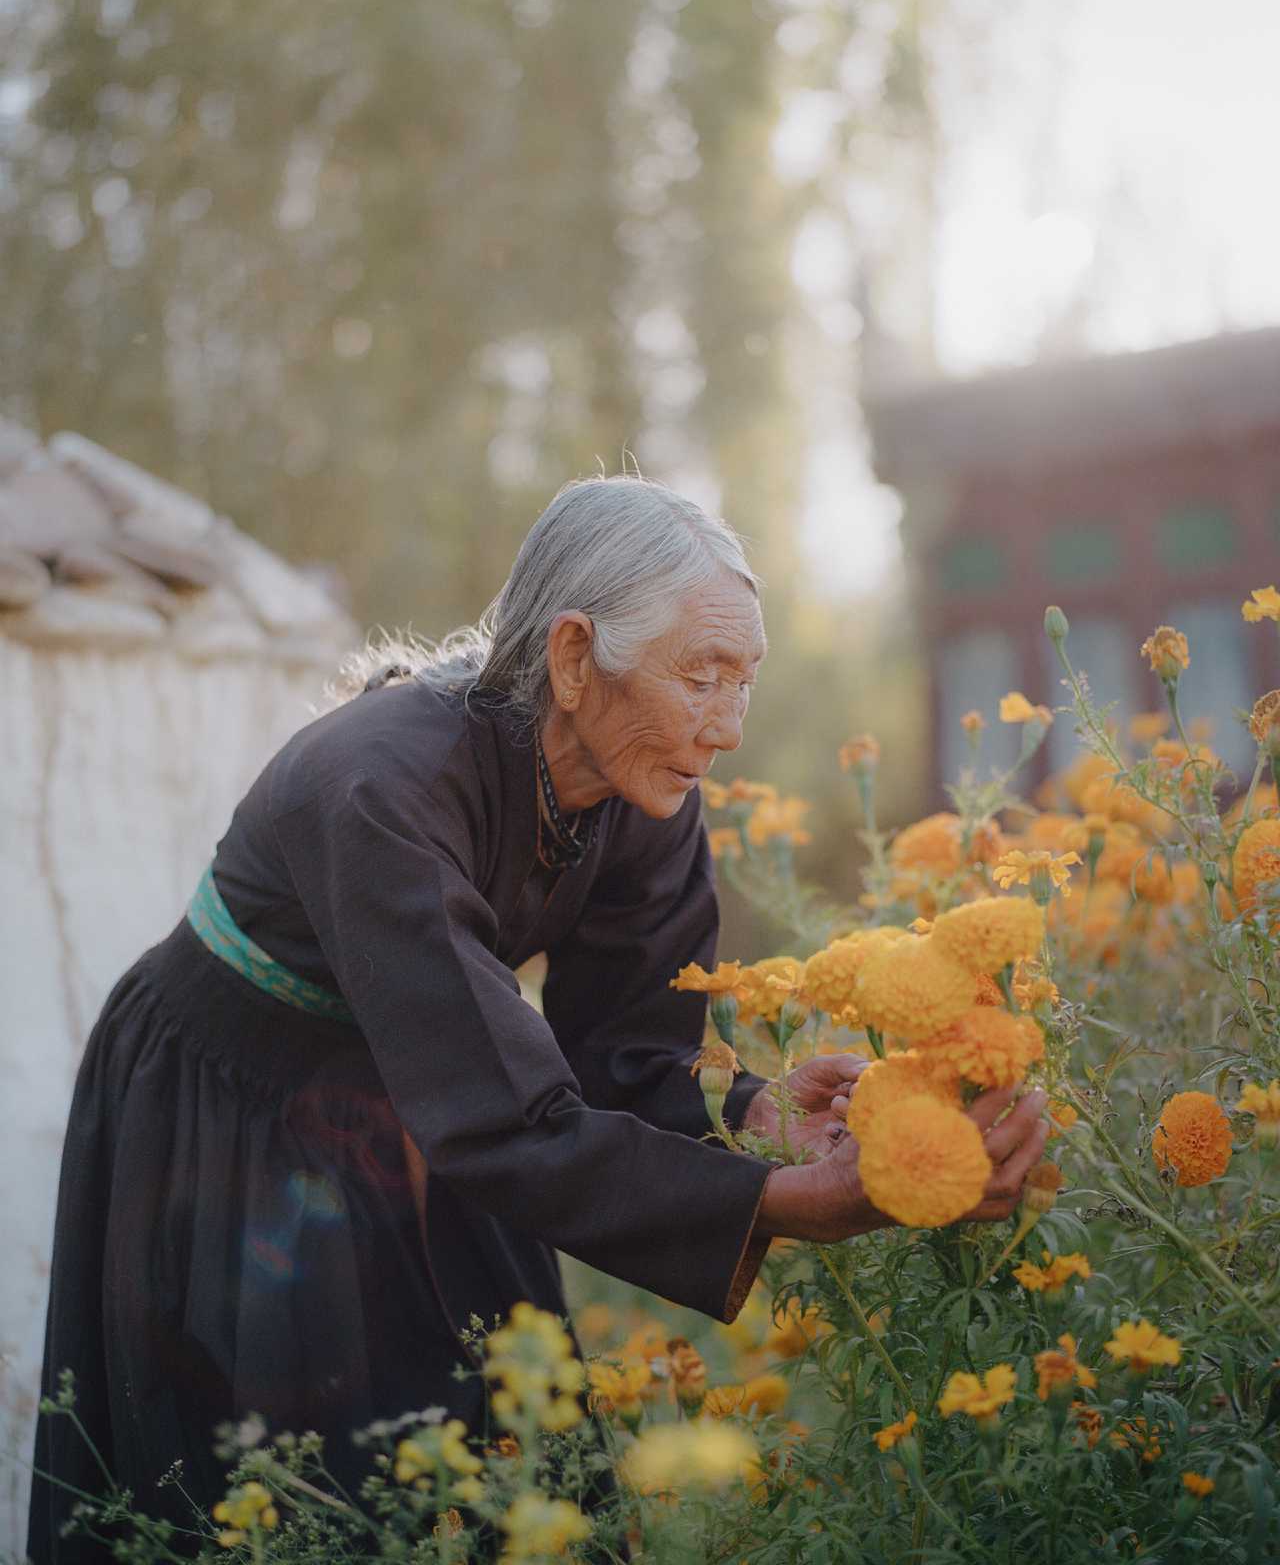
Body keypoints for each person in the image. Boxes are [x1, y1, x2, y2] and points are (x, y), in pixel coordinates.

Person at [29, 477, 1048, 1560]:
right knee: (291, 1487)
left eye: (743, 682)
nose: (728, 727)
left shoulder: (643, 784)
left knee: (506, 1460)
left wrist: (756, 1116)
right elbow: (507, 1118)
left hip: (442, 1091)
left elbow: (628, 1048)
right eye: (700, 677)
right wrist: (788, 1201)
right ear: (571, 659)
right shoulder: (378, 785)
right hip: (238, 1108)